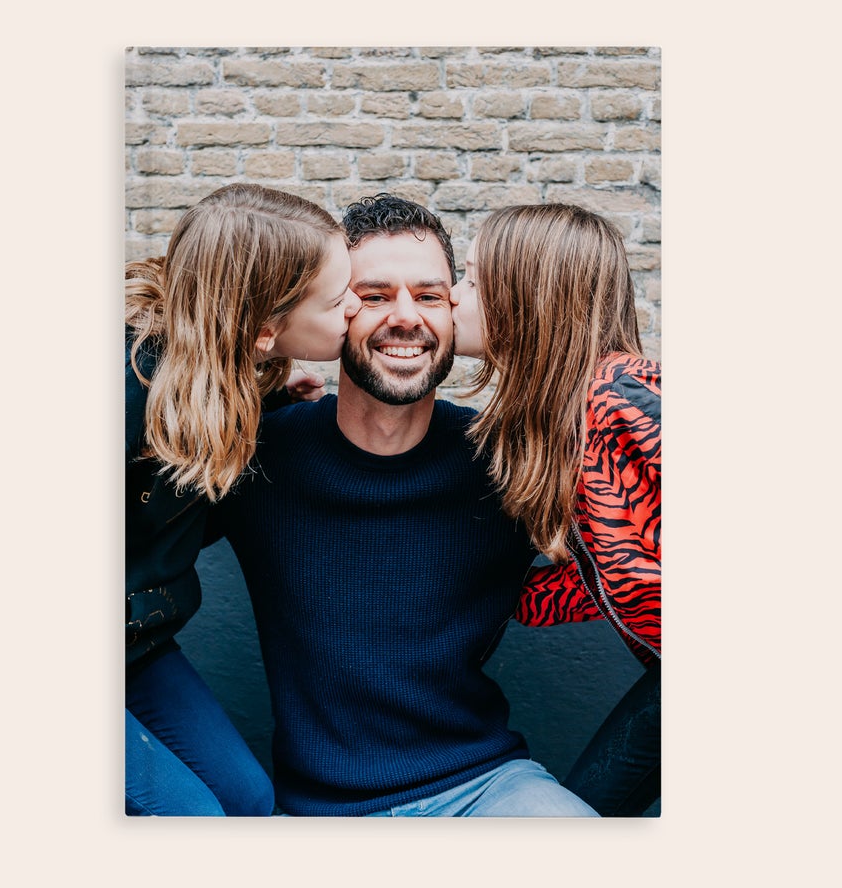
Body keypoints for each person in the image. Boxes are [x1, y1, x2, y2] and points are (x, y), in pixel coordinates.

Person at [211, 194, 599, 817]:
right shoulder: (256, 455)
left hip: (487, 786)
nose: (406, 317)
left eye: (430, 295)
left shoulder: (515, 462)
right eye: (374, 296)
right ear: (334, 311)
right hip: (316, 810)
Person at [125, 182, 360, 815]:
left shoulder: (225, 379)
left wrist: (268, 408)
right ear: (262, 330)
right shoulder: (126, 387)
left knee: (249, 799)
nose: (355, 307)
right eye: (337, 298)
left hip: (138, 646)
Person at [449, 202, 661, 816]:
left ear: (526, 298)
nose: (454, 296)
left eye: (472, 280)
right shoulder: (562, 426)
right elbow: (608, 574)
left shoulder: (625, 394)